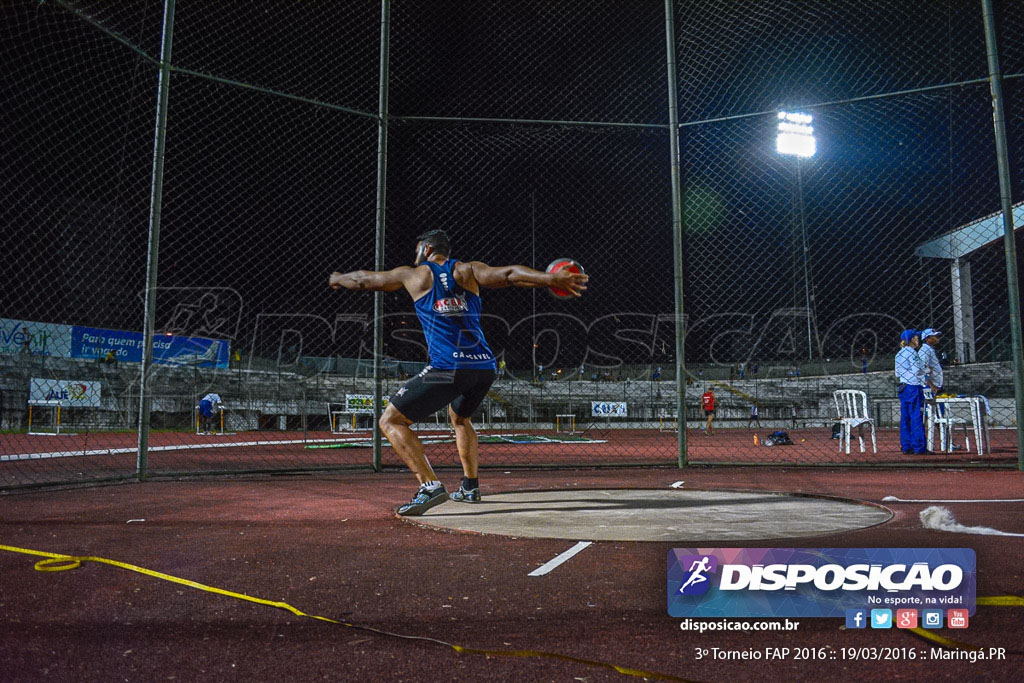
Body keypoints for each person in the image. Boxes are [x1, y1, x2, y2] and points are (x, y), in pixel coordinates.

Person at [329, 229, 587, 516]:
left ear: (427, 249)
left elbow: (364, 279)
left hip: (447, 369)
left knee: (390, 421)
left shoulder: (414, 275)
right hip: (484, 367)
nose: (415, 255)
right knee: (460, 418)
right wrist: (552, 279)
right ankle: (470, 486)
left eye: (418, 250)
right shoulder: (468, 271)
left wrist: (338, 278)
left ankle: (429, 486)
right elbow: (511, 274)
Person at [895, 329, 929, 454]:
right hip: (913, 386)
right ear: (912, 340)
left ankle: (906, 445)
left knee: (905, 417)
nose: (918, 340)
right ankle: (919, 446)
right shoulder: (912, 353)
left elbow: (897, 372)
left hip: (903, 386)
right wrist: (927, 370)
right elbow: (917, 370)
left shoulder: (899, 354)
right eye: (916, 338)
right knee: (916, 416)